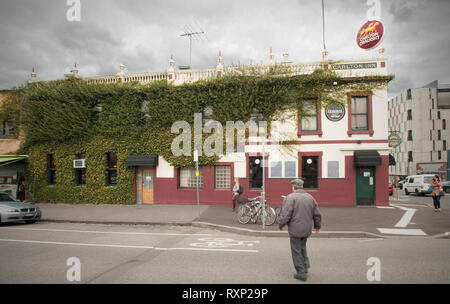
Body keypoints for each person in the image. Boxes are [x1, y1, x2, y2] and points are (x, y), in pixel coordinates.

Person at [278, 179, 322, 282]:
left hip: (295, 229)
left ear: (293, 187)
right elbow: (317, 214)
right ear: (301, 186)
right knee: (302, 247)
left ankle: (301, 272)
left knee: (296, 250)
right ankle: (305, 267)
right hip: (306, 229)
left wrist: (281, 224)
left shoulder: (290, 198)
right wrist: (317, 226)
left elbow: (286, 214)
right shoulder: (310, 198)